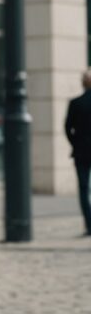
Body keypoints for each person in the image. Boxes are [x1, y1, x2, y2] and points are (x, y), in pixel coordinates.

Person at [65, 69, 91, 236]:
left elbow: (68, 128)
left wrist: (75, 143)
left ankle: (89, 224)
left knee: (83, 189)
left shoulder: (76, 103)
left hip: (81, 151)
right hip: (81, 151)